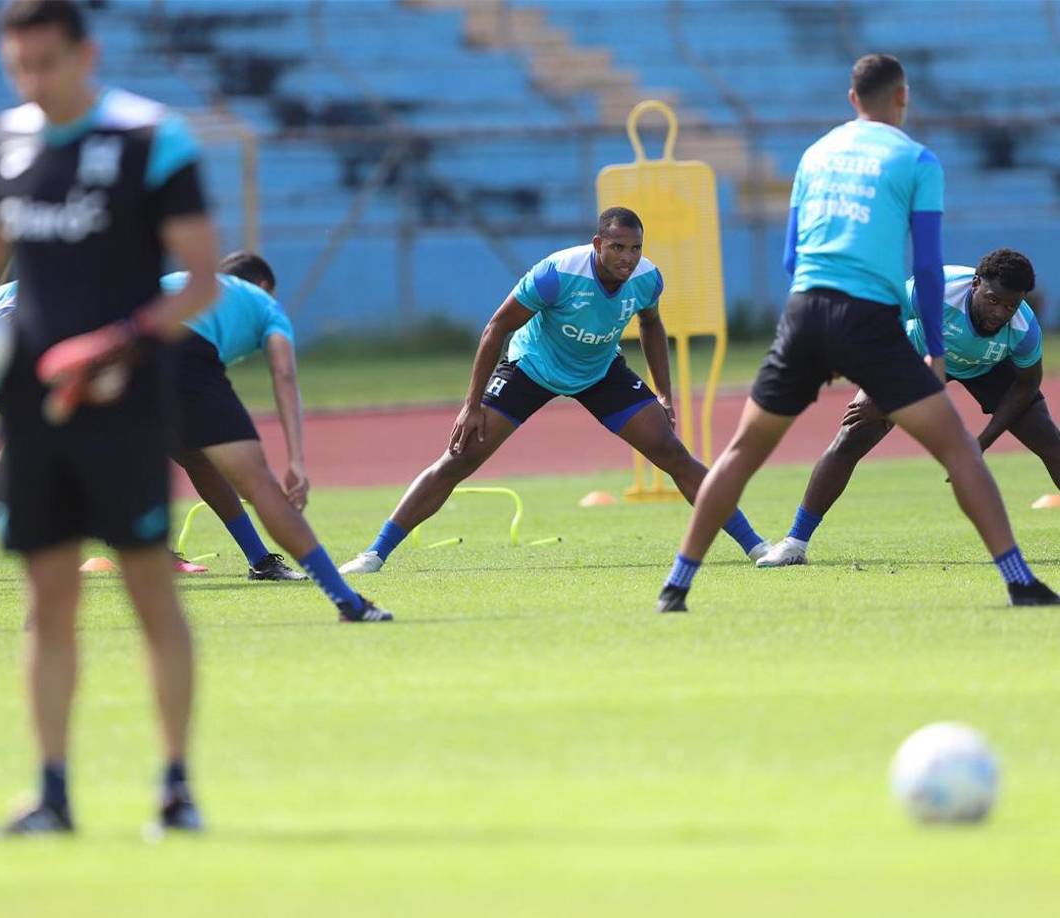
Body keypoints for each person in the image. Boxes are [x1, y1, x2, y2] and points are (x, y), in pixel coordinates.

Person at [0, 0, 221, 835]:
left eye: (48, 63)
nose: (34, 82)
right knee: (47, 602)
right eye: (19, 67)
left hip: (125, 404)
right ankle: (52, 795)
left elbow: (199, 282)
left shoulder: (152, 138)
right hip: (33, 410)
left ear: (87, 52)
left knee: (151, 591)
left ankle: (177, 791)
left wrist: (111, 343)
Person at [657, 54, 1058, 611]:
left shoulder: (814, 153)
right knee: (959, 453)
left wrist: (815, 335)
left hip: (803, 309)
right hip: (868, 316)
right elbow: (927, 264)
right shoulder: (917, 159)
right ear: (903, 98)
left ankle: (677, 585)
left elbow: (790, 254)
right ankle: (1019, 581)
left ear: (852, 100)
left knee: (743, 450)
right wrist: (927, 359)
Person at [338, 206, 770, 576]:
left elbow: (652, 325)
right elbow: (496, 328)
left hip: (599, 370)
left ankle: (755, 545)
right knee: (460, 458)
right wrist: (471, 405)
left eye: (635, 248)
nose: (627, 257)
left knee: (672, 452)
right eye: (617, 247)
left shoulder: (647, 279)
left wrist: (663, 393)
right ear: (598, 243)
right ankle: (375, 552)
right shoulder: (555, 274)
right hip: (532, 367)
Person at [759, 250, 1060, 566]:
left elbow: (1025, 386)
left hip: (990, 367)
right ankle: (794, 544)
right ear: (975, 284)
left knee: (1051, 444)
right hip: (916, 353)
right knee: (852, 435)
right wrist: (889, 402)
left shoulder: (1025, 330)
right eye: (993, 299)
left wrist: (981, 442)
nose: (1000, 312)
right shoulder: (932, 291)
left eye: (1011, 305)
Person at [164, 251, 392, 619]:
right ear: (264, 286)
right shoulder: (265, 305)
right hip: (185, 354)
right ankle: (348, 602)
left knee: (192, 457)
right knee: (261, 486)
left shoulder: (183, 280)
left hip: (121, 341)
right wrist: (296, 462)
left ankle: (48, 612)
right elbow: (284, 375)